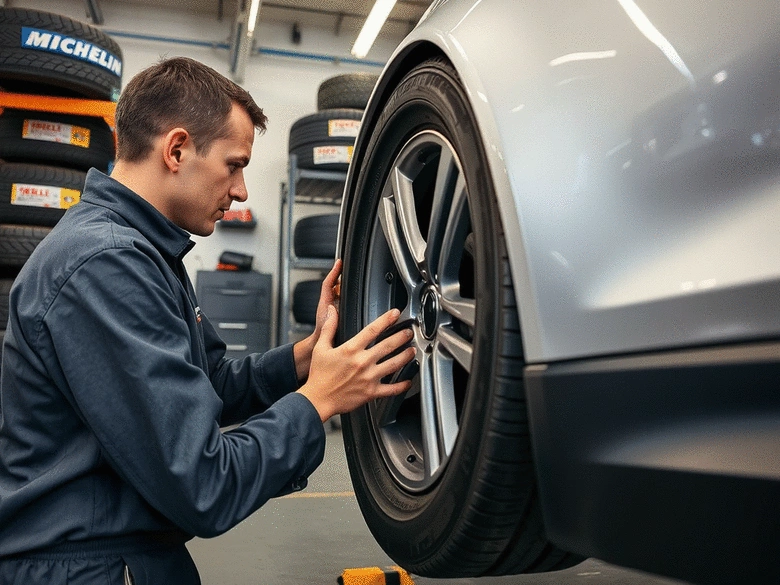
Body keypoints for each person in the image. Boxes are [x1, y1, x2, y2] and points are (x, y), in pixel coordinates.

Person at [0, 56, 415, 585]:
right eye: (234, 164)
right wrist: (319, 401)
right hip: (88, 567)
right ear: (176, 150)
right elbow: (202, 483)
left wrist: (305, 358)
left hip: (121, 553)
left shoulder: (143, 251)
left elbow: (208, 385)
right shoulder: (106, 265)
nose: (242, 190)